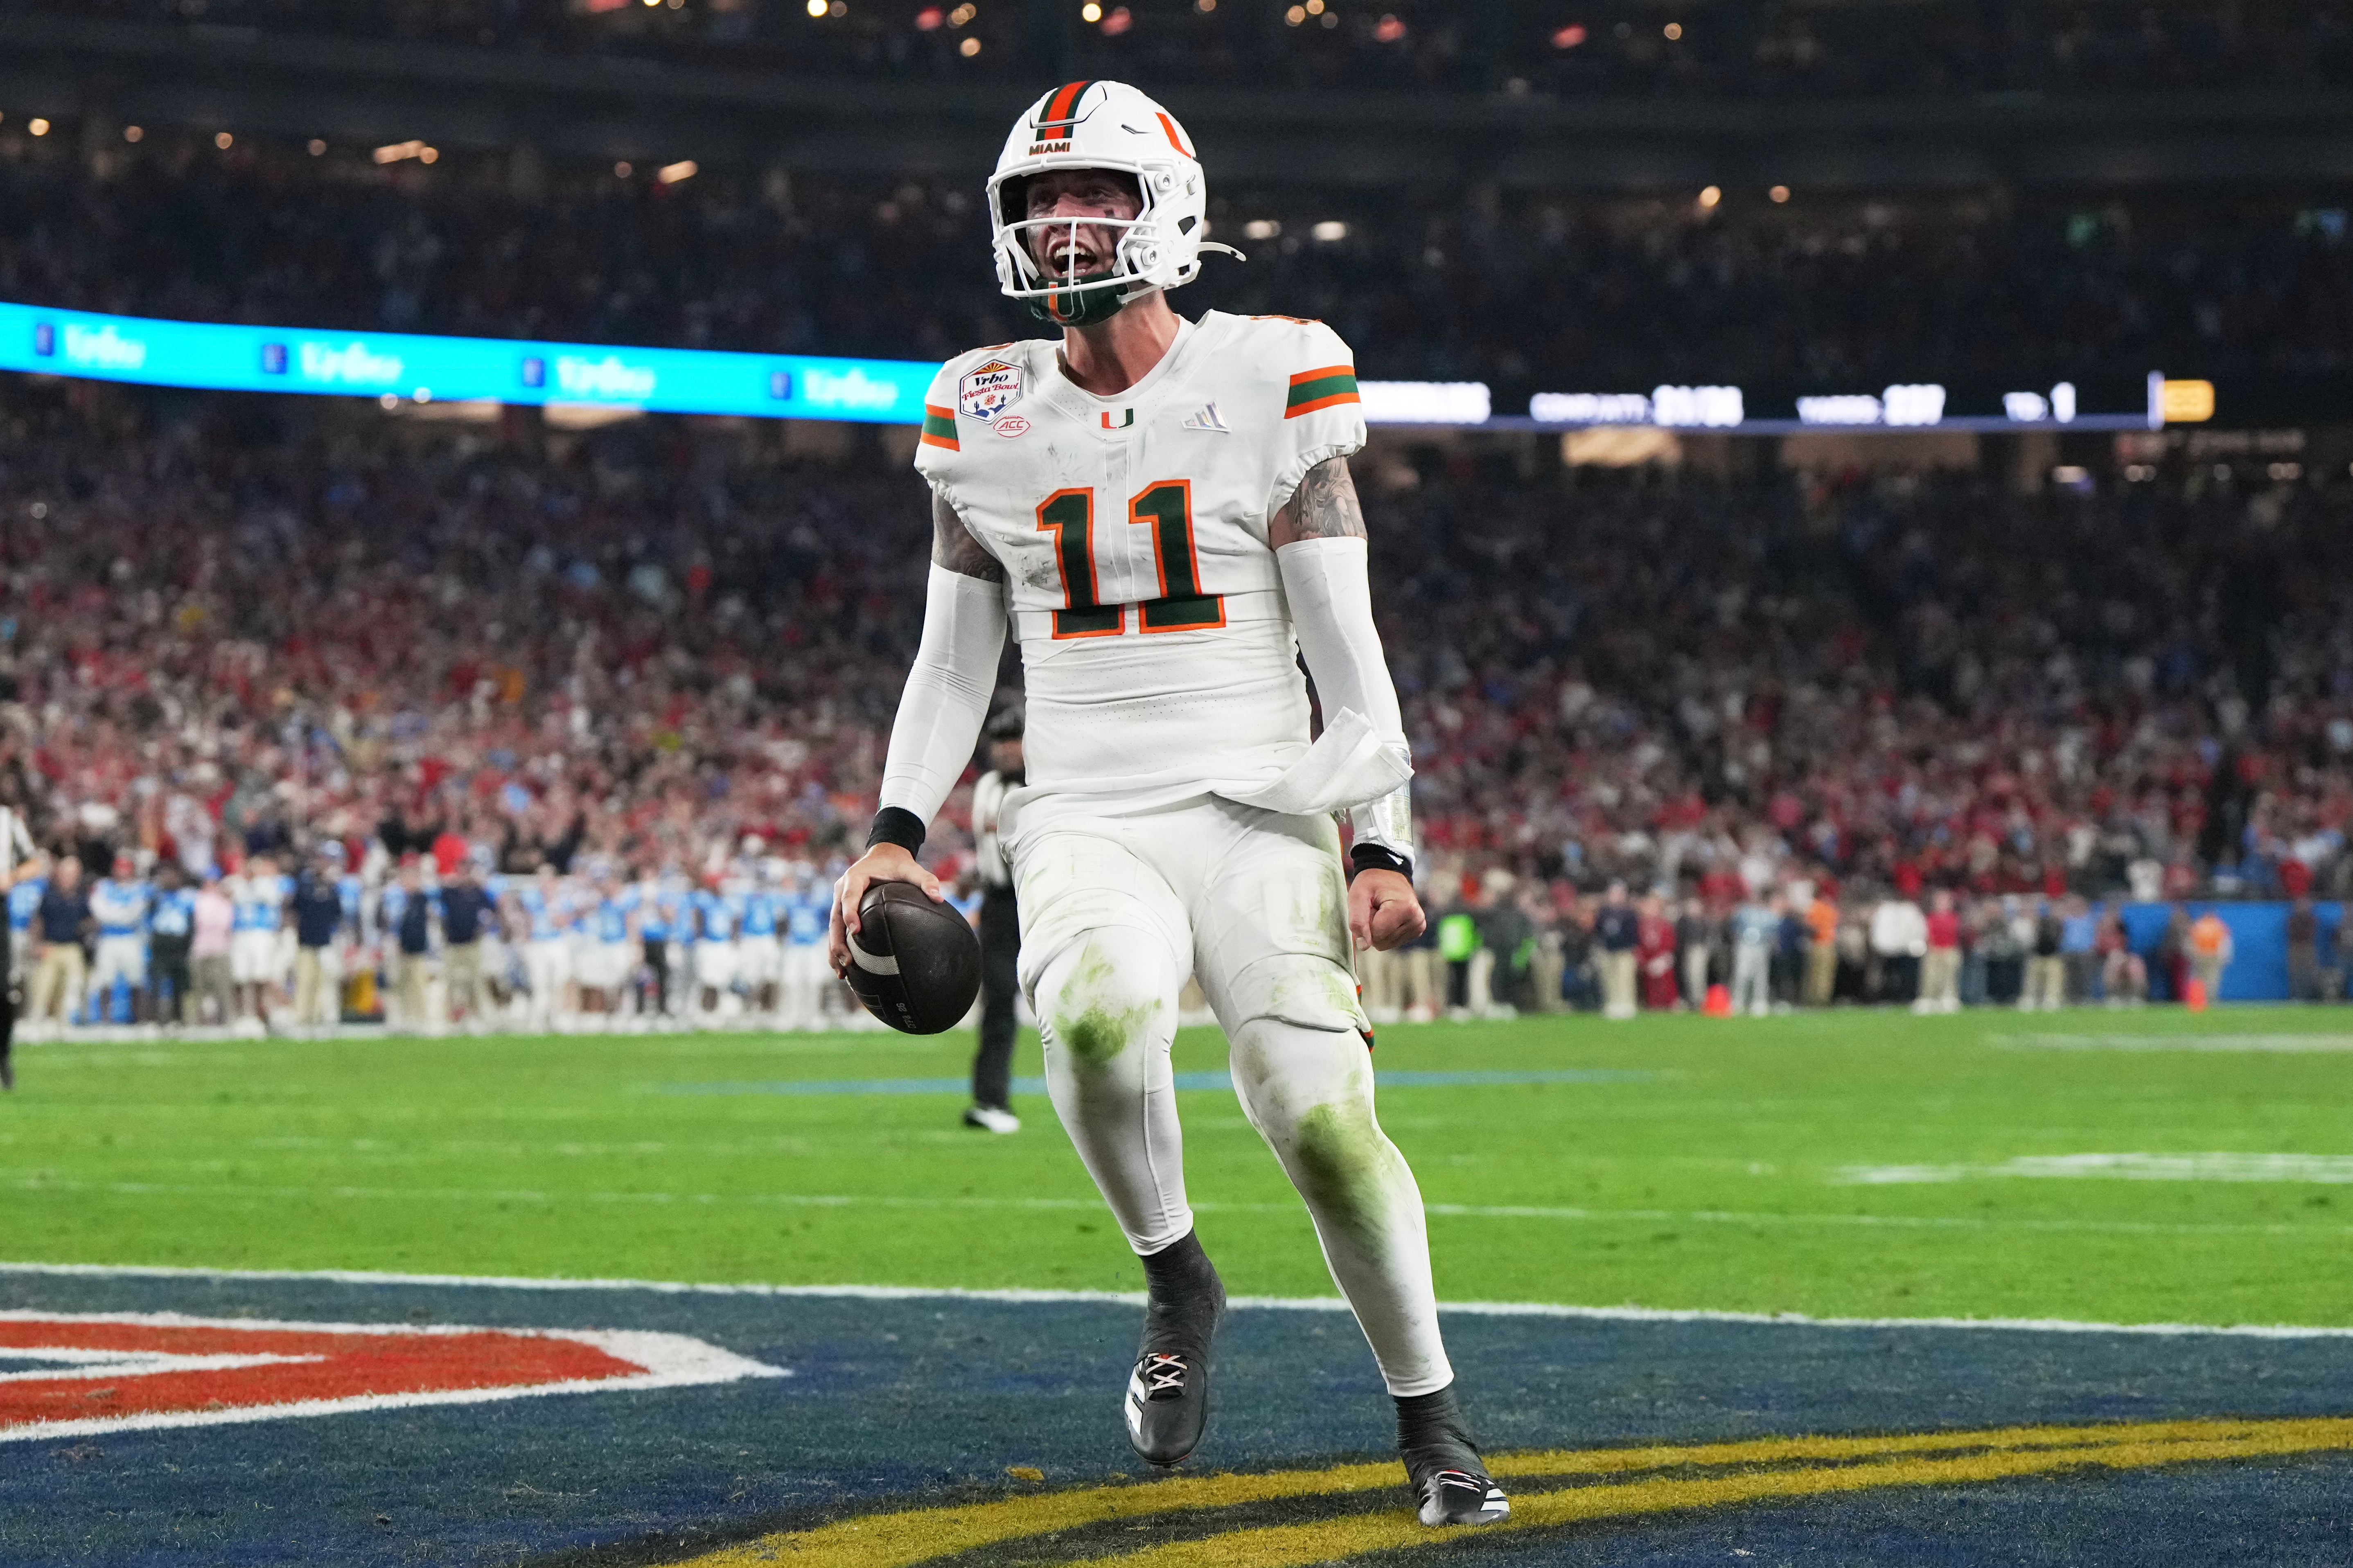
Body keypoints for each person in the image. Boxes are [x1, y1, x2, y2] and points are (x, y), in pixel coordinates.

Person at [826, 81, 1506, 1528]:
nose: (1064, 225)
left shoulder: (1272, 369)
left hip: (1260, 799)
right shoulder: (979, 401)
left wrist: (1382, 834)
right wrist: (893, 826)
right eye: (1039, 200)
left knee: (1318, 1118)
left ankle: (1428, 1416)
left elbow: (1344, 646)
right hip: (1081, 803)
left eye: (1096, 195)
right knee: (1089, 1011)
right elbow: (952, 661)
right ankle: (1173, 1272)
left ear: (1171, 211)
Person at [966, 705, 1026, 1132]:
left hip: (1041, 898)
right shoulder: (986, 785)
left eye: (1014, 739)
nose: (1006, 749)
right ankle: (990, 1100)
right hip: (999, 905)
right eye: (1000, 741)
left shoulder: (1046, 782)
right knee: (998, 1002)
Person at [26, 855, 93, 1036]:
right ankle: (37, 1020)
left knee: (72, 986)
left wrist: (85, 929)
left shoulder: (81, 896)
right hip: (51, 946)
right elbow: (37, 922)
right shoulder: (49, 895)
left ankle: (65, 1023)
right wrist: (37, 945)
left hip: (72, 947)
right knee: (44, 985)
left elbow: (90, 920)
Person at [86, 853, 153, 1026]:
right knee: (105, 980)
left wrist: (114, 914)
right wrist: (121, 913)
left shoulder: (139, 888)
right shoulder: (103, 886)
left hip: (131, 938)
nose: (122, 872)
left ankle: (138, 1019)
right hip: (108, 938)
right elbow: (99, 911)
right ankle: (104, 1020)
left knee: (136, 980)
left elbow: (135, 914)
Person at [226, 852, 289, 1033]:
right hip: (240, 933)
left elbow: (273, 900)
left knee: (260, 976)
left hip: (261, 933)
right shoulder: (237, 883)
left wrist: (254, 882)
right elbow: (224, 892)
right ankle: (242, 1016)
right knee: (239, 976)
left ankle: (260, 1016)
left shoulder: (266, 885)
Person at [289, 846, 350, 1030]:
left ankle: (317, 1016)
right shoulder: (304, 886)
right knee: (305, 979)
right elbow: (294, 911)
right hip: (306, 939)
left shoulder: (332, 888)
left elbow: (338, 915)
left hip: (325, 941)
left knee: (323, 981)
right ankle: (302, 1017)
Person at [439, 858, 497, 1027]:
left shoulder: (478, 892)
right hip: (452, 943)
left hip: (472, 943)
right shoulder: (450, 892)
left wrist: (483, 928)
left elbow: (492, 912)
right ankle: (451, 1016)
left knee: (476, 981)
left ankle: (477, 1015)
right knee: (451, 981)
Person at [147, 862, 196, 1028]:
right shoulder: (156, 897)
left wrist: (187, 943)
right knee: (157, 983)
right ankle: (154, 1020)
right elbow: (149, 919)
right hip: (161, 944)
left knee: (179, 985)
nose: (169, 879)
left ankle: (177, 1019)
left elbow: (192, 923)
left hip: (179, 945)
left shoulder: (187, 898)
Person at [190, 868, 235, 1026]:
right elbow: (200, 922)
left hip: (219, 948)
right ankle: (200, 1021)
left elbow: (225, 924)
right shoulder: (198, 899)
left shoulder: (225, 902)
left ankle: (224, 1021)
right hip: (200, 948)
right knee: (200, 988)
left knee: (221, 988)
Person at [1593, 879, 1638, 1020]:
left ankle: (1627, 1004)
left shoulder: (1630, 913)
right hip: (1608, 950)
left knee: (1625, 978)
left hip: (1625, 951)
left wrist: (1632, 947)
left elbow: (1634, 933)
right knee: (1609, 979)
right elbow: (1598, 930)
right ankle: (1612, 1003)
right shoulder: (1604, 912)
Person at [1915, 888, 1962, 1014]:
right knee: (1930, 976)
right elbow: (1927, 934)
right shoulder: (1931, 918)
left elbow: (1956, 935)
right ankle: (1928, 999)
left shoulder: (1954, 918)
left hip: (1949, 949)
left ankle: (1948, 999)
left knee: (1949, 977)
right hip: (1934, 949)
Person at [2187, 908, 2233, 1002]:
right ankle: (2210, 999)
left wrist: (2191, 956)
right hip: (2213, 956)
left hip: (2200, 955)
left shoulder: (2198, 925)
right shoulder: (2219, 926)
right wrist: (2226, 957)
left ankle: (2198, 1000)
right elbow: (2225, 942)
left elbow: (2190, 942)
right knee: (2212, 979)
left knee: (2198, 979)